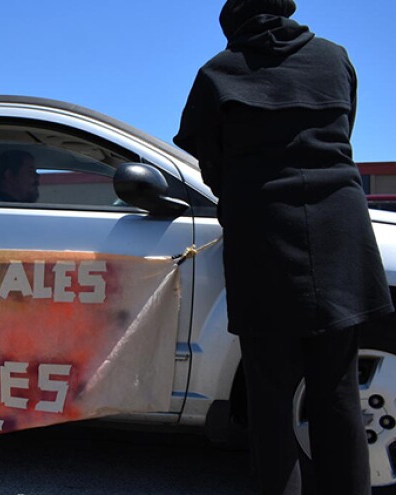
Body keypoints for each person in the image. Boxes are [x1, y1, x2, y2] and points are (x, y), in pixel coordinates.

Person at [174, 2, 393, 494]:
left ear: (232, 21)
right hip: (339, 231)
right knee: (337, 389)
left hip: (262, 236)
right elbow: (344, 132)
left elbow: (211, 163)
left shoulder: (217, 73)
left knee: (270, 399)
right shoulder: (335, 58)